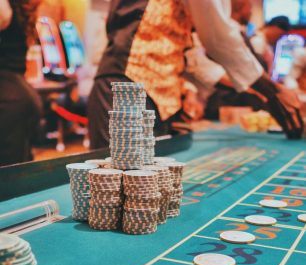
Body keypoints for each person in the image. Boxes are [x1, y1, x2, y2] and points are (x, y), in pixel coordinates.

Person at [88, 0, 302, 148]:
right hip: (124, 88)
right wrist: (272, 90)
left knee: (144, 196)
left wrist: (258, 94)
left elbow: (191, 59)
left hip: (156, 101)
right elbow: (217, 36)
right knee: (117, 196)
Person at [0, 0, 42, 166]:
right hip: (19, 97)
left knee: (9, 181)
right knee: (18, 175)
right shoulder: (15, 6)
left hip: (7, 101)